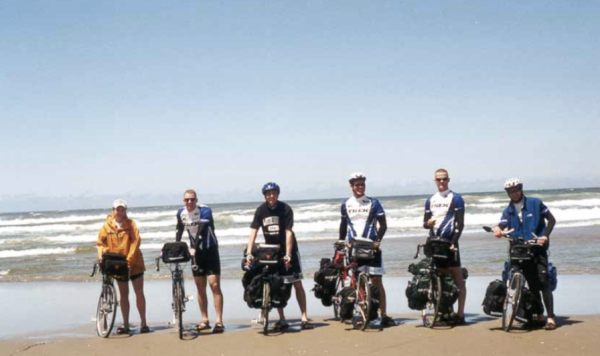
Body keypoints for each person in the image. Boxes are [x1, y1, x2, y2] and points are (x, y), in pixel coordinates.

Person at [245, 182, 314, 331]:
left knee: (296, 283)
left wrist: (288, 254)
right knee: (274, 283)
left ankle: (304, 317)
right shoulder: (261, 210)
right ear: (264, 196)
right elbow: (253, 231)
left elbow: (289, 232)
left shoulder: (285, 209)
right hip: (271, 251)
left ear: (278, 194)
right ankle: (282, 319)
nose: (271, 196)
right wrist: (249, 252)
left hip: (289, 250)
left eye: (274, 193)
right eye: (268, 194)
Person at [492, 178, 557, 330]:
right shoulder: (508, 210)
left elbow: (552, 220)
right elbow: (502, 224)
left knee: (543, 282)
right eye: (510, 192)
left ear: (521, 189)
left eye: (516, 190)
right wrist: (497, 229)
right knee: (532, 284)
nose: (514, 194)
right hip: (520, 250)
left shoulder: (535, 203)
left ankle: (551, 317)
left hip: (538, 248)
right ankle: (539, 315)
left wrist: (545, 236)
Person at [339, 172, 395, 327]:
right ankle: (362, 310)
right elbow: (344, 225)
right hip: (354, 247)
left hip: (371, 247)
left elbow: (383, 225)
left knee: (377, 281)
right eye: (357, 184)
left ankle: (383, 314)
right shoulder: (346, 204)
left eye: (362, 184)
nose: (360, 187)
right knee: (356, 280)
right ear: (351, 186)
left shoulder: (374, 203)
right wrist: (340, 241)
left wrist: (378, 241)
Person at [97, 199, 149, 334]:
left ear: (125, 210)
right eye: (117, 209)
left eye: (122, 209)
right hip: (118, 266)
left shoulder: (131, 225)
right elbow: (101, 244)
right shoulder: (106, 227)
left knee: (139, 293)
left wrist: (129, 260)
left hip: (135, 264)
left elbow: (135, 242)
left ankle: (143, 323)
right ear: (113, 210)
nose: (120, 212)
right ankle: (126, 325)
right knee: (123, 295)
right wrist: (103, 257)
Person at [176, 189, 225, 333]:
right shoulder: (181, 213)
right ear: (184, 201)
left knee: (214, 284)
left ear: (196, 200)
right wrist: (176, 245)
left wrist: (194, 248)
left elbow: (202, 231)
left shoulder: (205, 210)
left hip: (210, 250)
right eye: (187, 200)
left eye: (192, 199)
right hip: (195, 253)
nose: (189, 202)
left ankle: (219, 321)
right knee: (200, 286)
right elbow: (179, 229)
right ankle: (204, 319)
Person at [423, 168, 467, 325]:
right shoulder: (430, 200)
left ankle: (460, 315)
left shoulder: (456, 198)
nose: (441, 182)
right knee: (438, 278)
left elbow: (460, 224)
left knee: (457, 278)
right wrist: (427, 223)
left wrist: (454, 242)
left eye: (444, 179)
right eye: (438, 179)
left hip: (450, 242)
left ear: (448, 180)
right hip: (434, 242)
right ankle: (443, 311)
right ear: (434, 181)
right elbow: (425, 224)